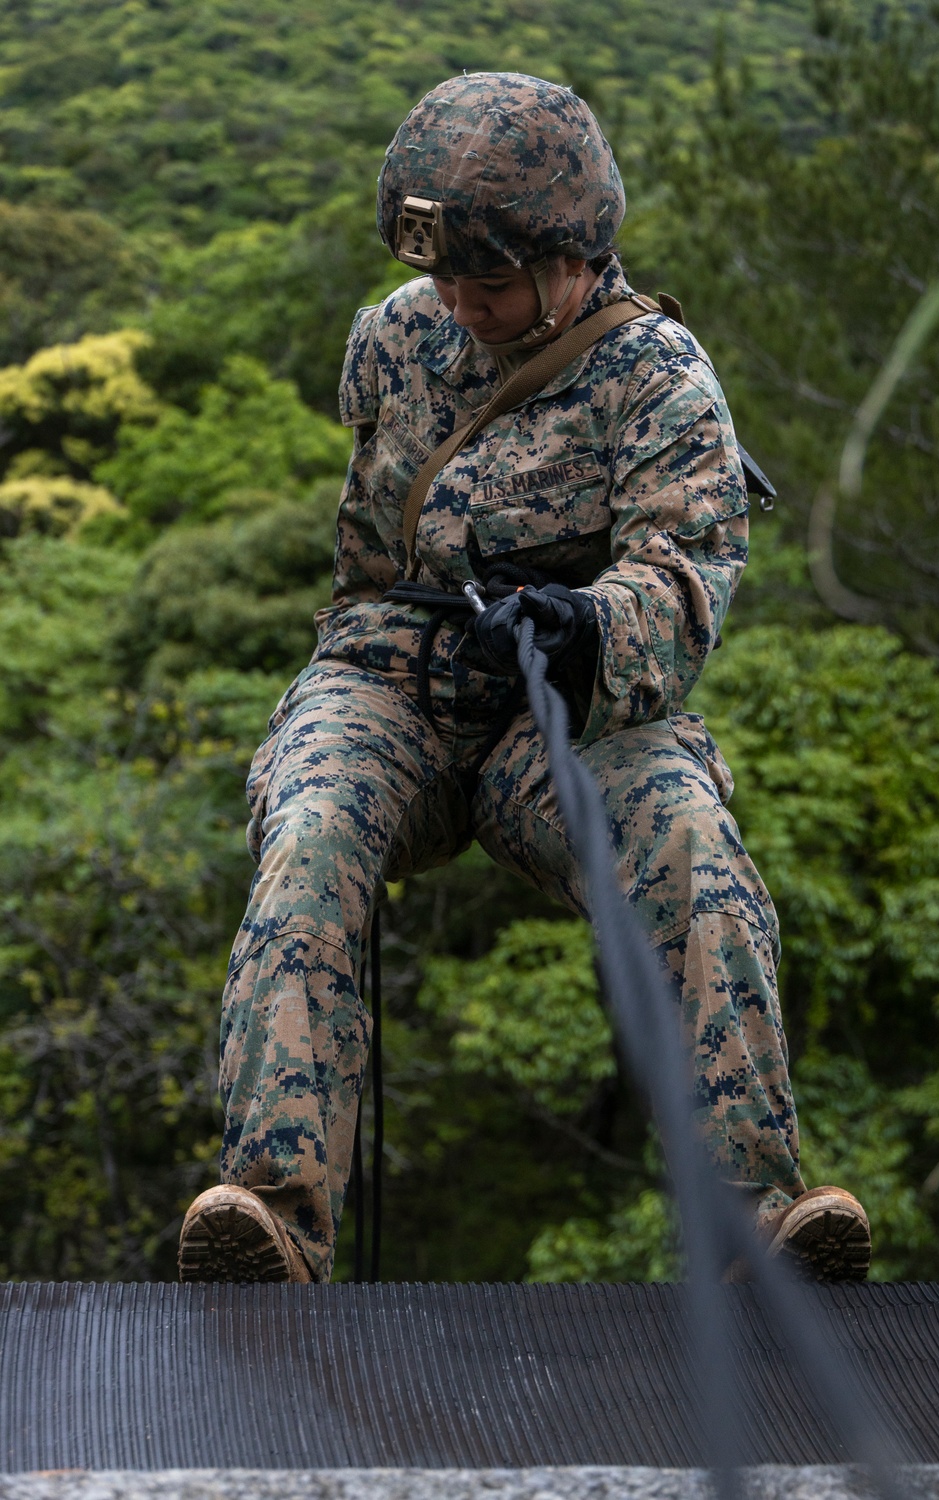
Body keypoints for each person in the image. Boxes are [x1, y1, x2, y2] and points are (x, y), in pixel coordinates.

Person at [177, 72, 870, 1286]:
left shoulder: (658, 376)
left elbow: (691, 575)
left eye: (486, 283)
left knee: (687, 841)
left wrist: (589, 623)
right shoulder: (395, 337)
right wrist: (372, 666)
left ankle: (755, 1217)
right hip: (390, 681)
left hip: (571, 706)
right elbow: (365, 553)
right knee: (311, 831)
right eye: (443, 276)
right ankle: (275, 1217)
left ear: (570, 257)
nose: (458, 304)